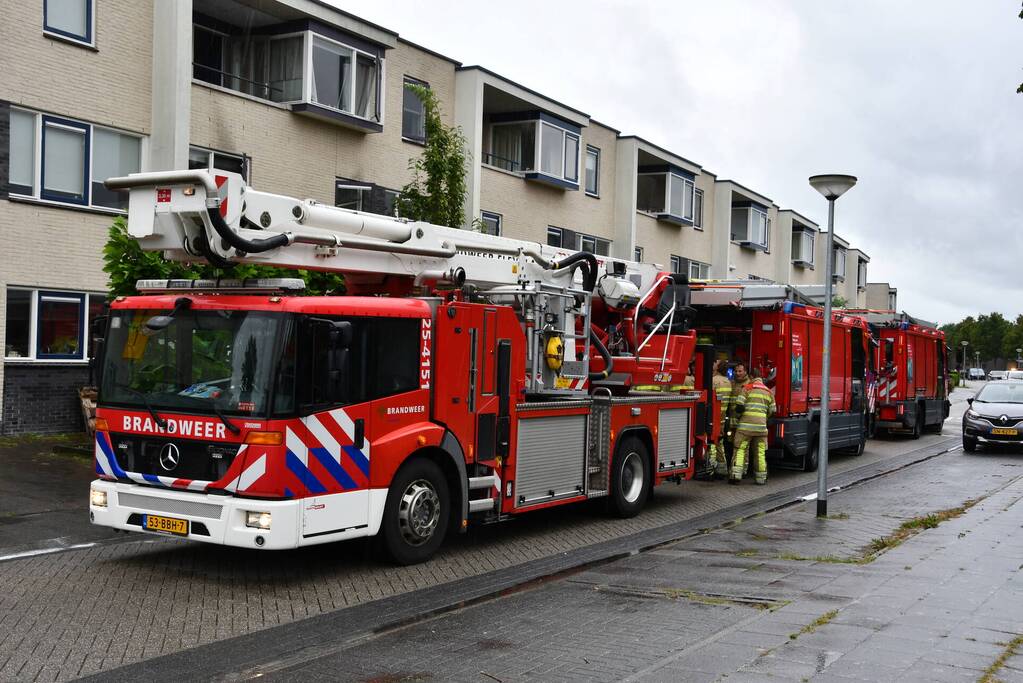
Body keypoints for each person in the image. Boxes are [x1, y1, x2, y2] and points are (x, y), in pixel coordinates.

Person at [730, 367, 776, 485]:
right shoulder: (769, 391)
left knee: (740, 449)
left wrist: (737, 417)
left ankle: (736, 475)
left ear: (751, 377)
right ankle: (761, 478)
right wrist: (763, 418)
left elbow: (739, 406)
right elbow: (772, 411)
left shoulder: (747, 388)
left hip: (745, 428)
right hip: (761, 428)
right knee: (760, 452)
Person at [708, 359, 733, 478]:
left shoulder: (713, 381)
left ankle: (709, 469)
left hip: (713, 417)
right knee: (719, 443)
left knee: (711, 443)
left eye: (715, 363)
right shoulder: (728, 382)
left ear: (717, 368)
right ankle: (722, 469)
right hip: (722, 418)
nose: (713, 363)